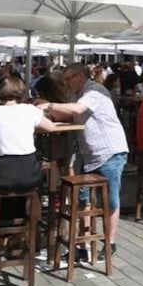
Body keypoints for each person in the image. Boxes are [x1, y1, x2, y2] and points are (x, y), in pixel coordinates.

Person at [39, 63, 129, 257]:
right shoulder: (75, 93)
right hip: (87, 154)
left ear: (80, 76)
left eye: (68, 78)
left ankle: (110, 242)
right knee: (83, 199)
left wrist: (50, 105)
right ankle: (82, 246)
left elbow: (78, 110)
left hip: (109, 151)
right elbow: (70, 113)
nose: (66, 83)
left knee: (110, 200)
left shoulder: (95, 90)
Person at [0, 78, 56, 194]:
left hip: (1, 176)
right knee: (37, 188)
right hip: (29, 175)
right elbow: (51, 127)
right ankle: (31, 209)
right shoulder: (30, 110)